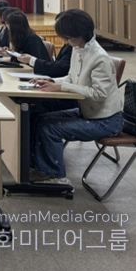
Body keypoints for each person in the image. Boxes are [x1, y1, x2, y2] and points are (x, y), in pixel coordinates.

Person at [30, 9, 123, 184]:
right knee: (40, 118)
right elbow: (72, 78)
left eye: (68, 37)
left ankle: (55, 175)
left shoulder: (100, 58)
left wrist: (61, 87)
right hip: (88, 113)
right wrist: (50, 80)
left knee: (50, 128)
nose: (66, 41)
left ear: (80, 34)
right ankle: (40, 167)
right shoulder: (78, 48)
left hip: (105, 121)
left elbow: (99, 94)